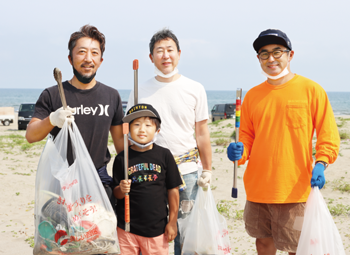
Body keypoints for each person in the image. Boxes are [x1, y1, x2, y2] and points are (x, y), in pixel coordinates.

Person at [227, 29, 340, 255]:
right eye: (264, 54)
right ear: (258, 59)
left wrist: (321, 163)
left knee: (297, 247)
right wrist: (239, 152)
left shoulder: (312, 90)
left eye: (277, 52)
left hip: (294, 189)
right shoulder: (253, 96)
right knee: (263, 244)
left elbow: (328, 135)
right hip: (258, 189)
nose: (271, 59)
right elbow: (247, 137)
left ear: (290, 55)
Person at [126, 28, 212, 255]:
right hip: (150, 169)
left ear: (179, 53)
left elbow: (201, 132)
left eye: (170, 50)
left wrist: (208, 169)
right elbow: (129, 130)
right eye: (159, 51)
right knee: (156, 228)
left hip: (187, 172)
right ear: (151, 57)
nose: (165, 55)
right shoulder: (139, 90)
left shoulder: (195, 88)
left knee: (185, 231)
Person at [26, 24, 124, 200]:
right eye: (82, 52)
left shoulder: (111, 96)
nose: (88, 58)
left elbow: (121, 145)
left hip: (98, 180)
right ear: (70, 59)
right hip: (61, 182)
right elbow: (31, 135)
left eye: (94, 53)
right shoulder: (53, 94)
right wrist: (52, 119)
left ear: (101, 61)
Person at [113, 103, 182, 254]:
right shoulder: (121, 158)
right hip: (126, 229)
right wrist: (121, 189)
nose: (142, 129)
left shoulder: (164, 155)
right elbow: (116, 193)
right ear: (128, 129)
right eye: (136, 124)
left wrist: (172, 222)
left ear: (157, 130)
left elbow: (173, 189)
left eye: (148, 125)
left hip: (156, 230)